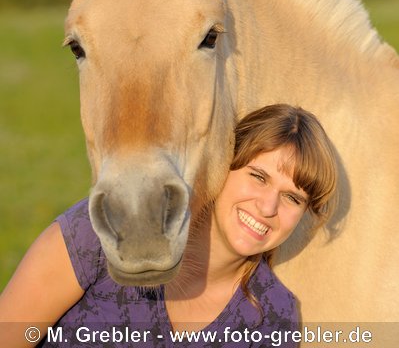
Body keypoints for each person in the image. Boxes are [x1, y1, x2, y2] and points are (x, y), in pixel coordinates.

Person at [0, 104, 338, 347]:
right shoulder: (104, 234)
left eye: (292, 198)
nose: (268, 207)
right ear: (221, 165)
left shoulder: (273, 319)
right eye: (258, 176)